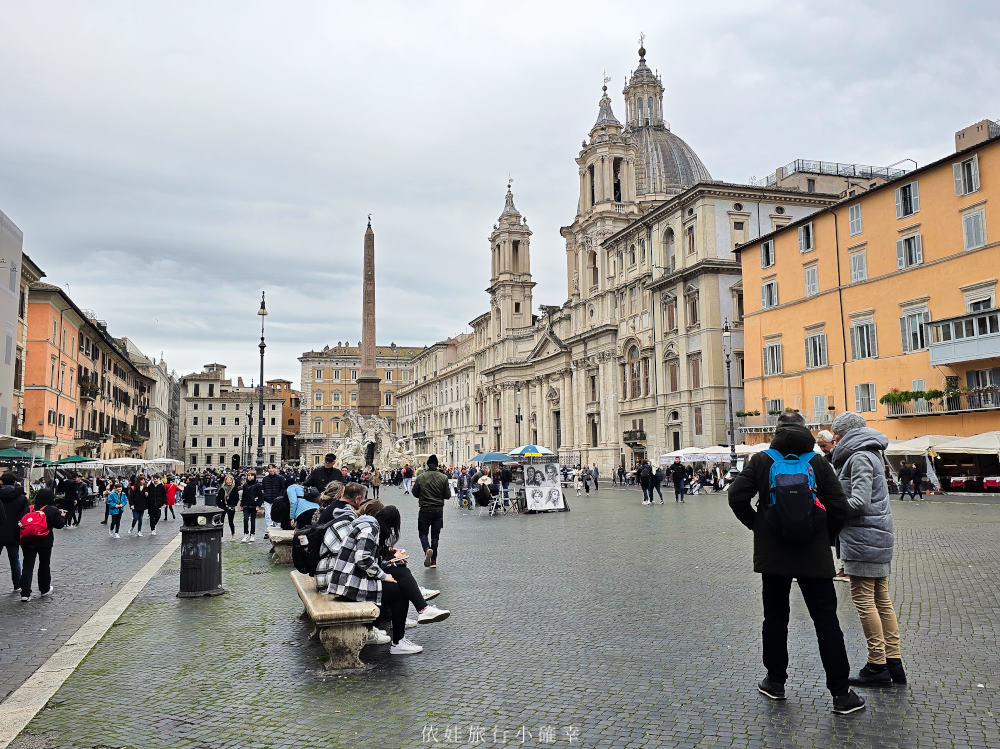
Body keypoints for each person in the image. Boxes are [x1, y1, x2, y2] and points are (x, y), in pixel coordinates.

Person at [727, 410, 865, 715]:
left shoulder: (762, 460)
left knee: (775, 619)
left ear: (777, 430)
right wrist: (824, 535)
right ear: (805, 431)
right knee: (827, 622)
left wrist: (758, 526)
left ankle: (775, 681)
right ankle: (841, 695)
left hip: (773, 556)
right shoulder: (817, 461)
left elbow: (736, 496)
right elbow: (839, 507)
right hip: (813, 554)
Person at [830, 411, 906, 688]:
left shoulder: (859, 456)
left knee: (864, 601)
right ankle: (893, 661)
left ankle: (877, 665)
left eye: (837, 436)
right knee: (882, 600)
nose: (835, 441)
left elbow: (859, 502)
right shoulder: (872, 453)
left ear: (846, 435)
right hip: (876, 536)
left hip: (863, 538)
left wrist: (829, 509)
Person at [18, 487, 66, 601]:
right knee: (44, 564)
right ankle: (44, 589)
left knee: (27, 566)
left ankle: (25, 593)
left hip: (28, 541)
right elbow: (59, 525)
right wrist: (63, 516)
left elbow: (21, 523)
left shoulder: (28, 509)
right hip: (45, 541)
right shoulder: (52, 509)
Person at [412, 454, 449, 569]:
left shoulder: (421, 477)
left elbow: (414, 493)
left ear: (427, 465)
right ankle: (433, 561)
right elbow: (447, 495)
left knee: (422, 533)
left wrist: (423, 495)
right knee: (435, 536)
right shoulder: (443, 477)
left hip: (425, 509)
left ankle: (427, 549)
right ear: (437, 465)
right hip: (438, 510)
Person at [1, 473, 29, 592]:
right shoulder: (22, 497)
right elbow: (26, 516)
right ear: (14, 483)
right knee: (14, 559)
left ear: (2, 482)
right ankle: (17, 585)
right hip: (14, 532)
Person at [260, 464, 286, 539]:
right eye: (269, 468)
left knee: (276, 516)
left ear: (275, 469)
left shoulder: (280, 478)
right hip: (267, 500)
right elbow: (264, 488)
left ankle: (276, 530)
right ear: (268, 469)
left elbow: (283, 488)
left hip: (277, 500)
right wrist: (265, 496)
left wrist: (279, 497)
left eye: (272, 468)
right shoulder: (265, 479)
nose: (271, 470)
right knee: (268, 516)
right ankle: (267, 532)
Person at [239, 470, 263, 542]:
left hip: (254, 505)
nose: (250, 477)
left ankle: (252, 534)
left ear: (254, 476)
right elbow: (243, 495)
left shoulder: (258, 485)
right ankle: (246, 534)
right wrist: (241, 505)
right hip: (246, 505)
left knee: (253, 520)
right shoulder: (245, 485)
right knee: (245, 519)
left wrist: (258, 505)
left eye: (251, 475)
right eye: (248, 475)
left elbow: (261, 496)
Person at [216, 475, 240, 540]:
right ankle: (221, 536)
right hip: (223, 507)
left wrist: (233, 505)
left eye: (230, 480)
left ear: (232, 481)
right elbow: (217, 499)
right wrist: (221, 506)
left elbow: (237, 498)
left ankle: (233, 535)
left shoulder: (235, 488)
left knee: (231, 522)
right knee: (221, 522)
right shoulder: (222, 489)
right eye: (227, 480)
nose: (229, 481)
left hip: (231, 507)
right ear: (225, 481)